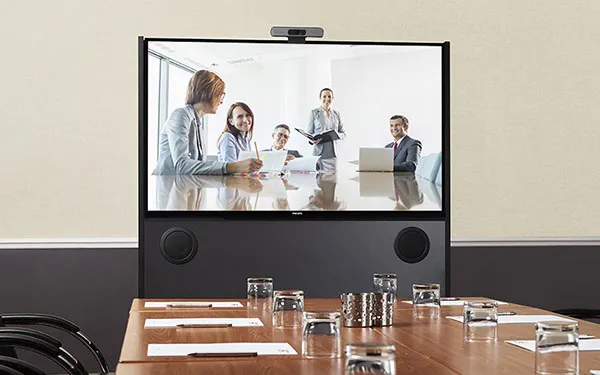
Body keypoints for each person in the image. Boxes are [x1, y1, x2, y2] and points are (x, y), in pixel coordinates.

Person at [153, 70, 262, 175]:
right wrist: (233, 167)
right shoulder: (181, 115)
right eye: (220, 94)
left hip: (186, 189)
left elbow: (199, 166)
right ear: (209, 92)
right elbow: (182, 165)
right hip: (168, 188)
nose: (221, 101)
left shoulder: (198, 123)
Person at [306, 88, 346, 172]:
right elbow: (309, 133)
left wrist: (336, 135)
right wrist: (313, 140)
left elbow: (343, 133)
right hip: (318, 154)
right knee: (319, 181)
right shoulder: (314, 113)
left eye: (329, 96)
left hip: (332, 155)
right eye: (324, 96)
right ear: (320, 98)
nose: (327, 99)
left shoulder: (336, 114)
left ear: (332, 98)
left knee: (332, 182)